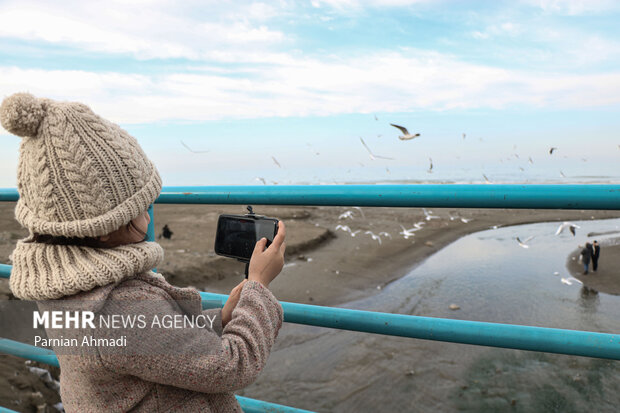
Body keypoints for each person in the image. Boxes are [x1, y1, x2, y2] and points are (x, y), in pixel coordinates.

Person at [2, 92, 286, 412]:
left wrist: (221, 319)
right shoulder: (116, 308)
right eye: (141, 207)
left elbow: (155, 345)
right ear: (108, 225)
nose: (149, 217)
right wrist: (259, 286)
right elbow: (233, 365)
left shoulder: (63, 284)